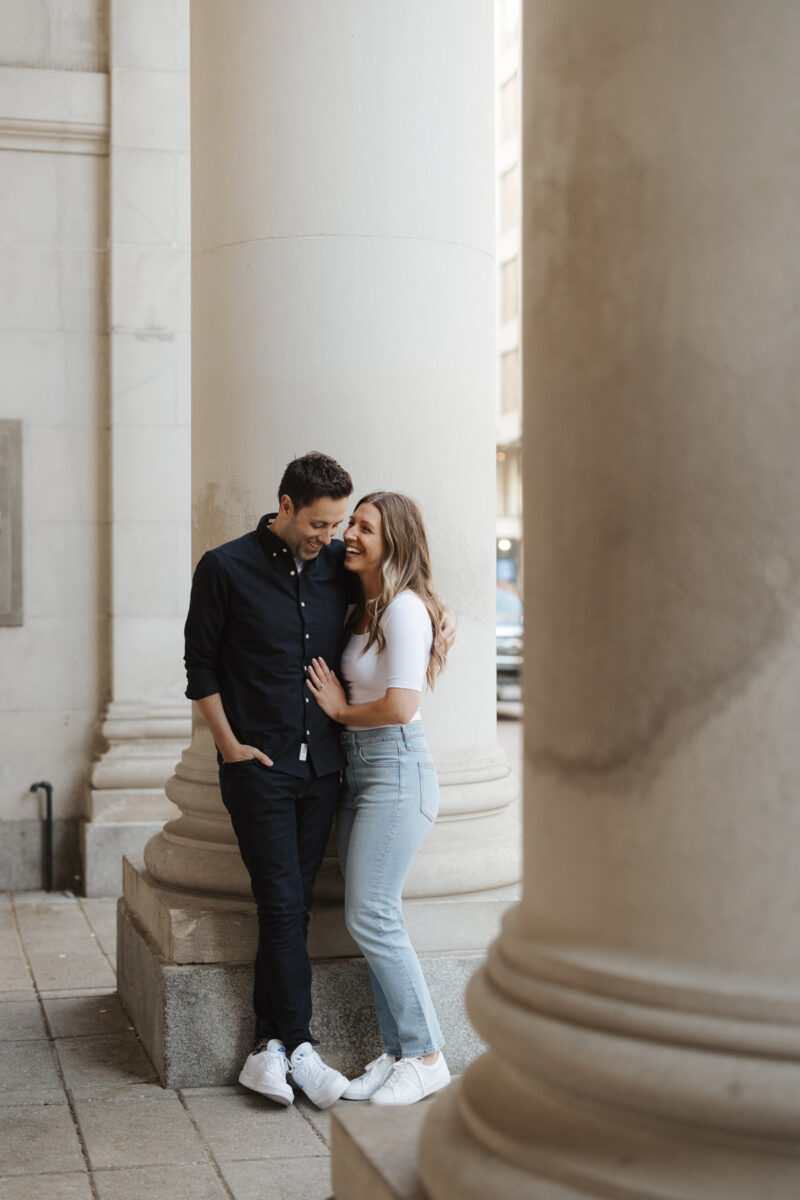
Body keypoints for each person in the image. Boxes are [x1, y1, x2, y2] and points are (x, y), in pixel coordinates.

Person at [183, 451, 356, 1110]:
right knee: (284, 905)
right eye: (317, 523)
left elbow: (400, 591)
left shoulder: (339, 568)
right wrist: (229, 748)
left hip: (324, 771)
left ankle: (269, 1048)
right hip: (260, 771)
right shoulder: (225, 568)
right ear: (285, 506)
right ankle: (303, 1047)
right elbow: (200, 667)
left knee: (292, 908)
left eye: (335, 524)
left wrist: (440, 617)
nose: (327, 537)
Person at [306, 492, 452, 1106]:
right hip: (363, 773)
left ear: (393, 541)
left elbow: (402, 704)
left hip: (397, 769)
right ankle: (396, 1054)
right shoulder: (367, 607)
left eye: (365, 528)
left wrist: (340, 709)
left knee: (373, 914)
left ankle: (426, 1055)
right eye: (351, 526)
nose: (351, 536)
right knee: (369, 916)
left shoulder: (404, 610)